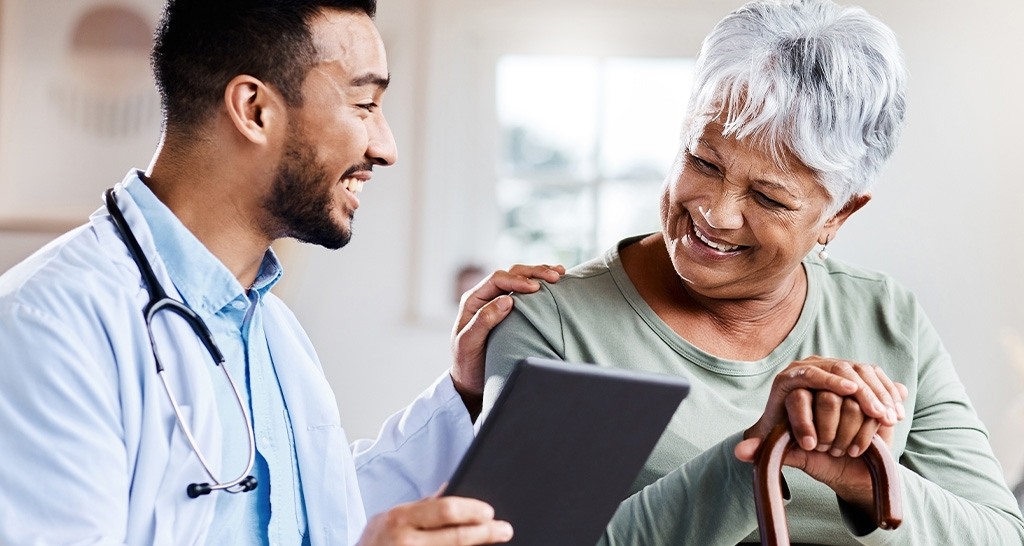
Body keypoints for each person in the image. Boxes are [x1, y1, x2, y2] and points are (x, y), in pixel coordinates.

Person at [0, 1, 566, 544]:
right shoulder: (46, 324)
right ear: (254, 110)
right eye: (364, 104)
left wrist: (467, 394)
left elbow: (317, 519)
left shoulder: (268, 324)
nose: (386, 148)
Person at [484, 0, 1024, 543]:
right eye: (703, 162)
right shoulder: (551, 322)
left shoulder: (887, 315)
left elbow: (999, 534)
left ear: (838, 214)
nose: (715, 213)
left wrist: (862, 479)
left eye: (768, 197)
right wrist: (757, 454)